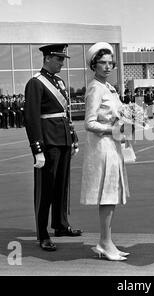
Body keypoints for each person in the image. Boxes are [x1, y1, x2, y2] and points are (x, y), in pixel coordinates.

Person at [24, 44, 82, 252]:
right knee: (45, 189)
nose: (62, 63)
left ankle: (60, 224)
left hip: (63, 139)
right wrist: (37, 149)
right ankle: (43, 233)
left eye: (63, 59)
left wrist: (73, 138)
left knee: (61, 186)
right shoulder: (35, 83)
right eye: (59, 59)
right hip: (48, 143)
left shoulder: (60, 82)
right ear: (47, 58)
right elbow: (31, 118)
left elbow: (65, 114)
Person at [80, 42, 131, 261]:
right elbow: (89, 123)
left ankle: (106, 241)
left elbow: (117, 114)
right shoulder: (95, 88)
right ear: (94, 64)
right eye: (103, 63)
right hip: (103, 148)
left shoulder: (109, 88)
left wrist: (129, 120)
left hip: (113, 145)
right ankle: (104, 242)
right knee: (107, 196)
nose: (108, 67)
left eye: (111, 63)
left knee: (111, 195)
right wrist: (113, 129)